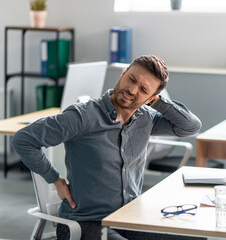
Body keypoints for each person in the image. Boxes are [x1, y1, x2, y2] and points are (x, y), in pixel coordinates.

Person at [12, 55, 203, 240]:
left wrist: (158, 102)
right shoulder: (82, 116)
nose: (132, 90)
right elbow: (23, 139)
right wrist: (55, 179)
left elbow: (190, 127)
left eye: (143, 90)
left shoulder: (146, 119)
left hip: (127, 219)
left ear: (150, 98)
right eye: (132, 79)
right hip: (83, 223)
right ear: (123, 74)